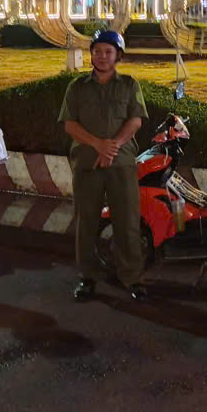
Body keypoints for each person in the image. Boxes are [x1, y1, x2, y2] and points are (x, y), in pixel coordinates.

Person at [59, 28, 149, 302]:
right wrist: (98, 144)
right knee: (86, 222)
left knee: (127, 222)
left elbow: (136, 120)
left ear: (118, 55)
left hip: (121, 163)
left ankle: (132, 277)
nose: (102, 56)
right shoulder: (77, 87)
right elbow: (69, 124)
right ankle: (87, 277)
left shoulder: (129, 85)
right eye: (97, 51)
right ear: (91, 54)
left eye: (108, 51)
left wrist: (113, 146)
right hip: (88, 164)